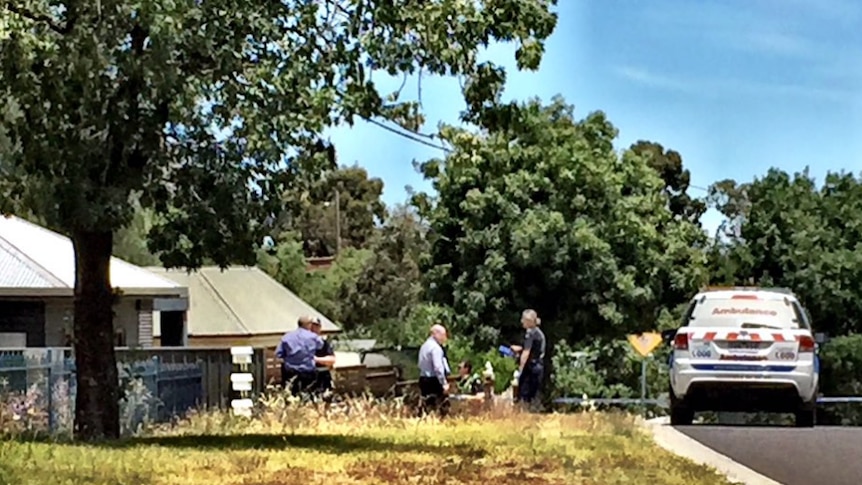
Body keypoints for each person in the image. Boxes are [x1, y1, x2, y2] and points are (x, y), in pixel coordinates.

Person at [275, 316, 328, 397]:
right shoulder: (313, 337)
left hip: (290, 372)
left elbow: (279, 354)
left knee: (290, 396)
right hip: (307, 372)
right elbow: (320, 345)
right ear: (309, 325)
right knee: (307, 395)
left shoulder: (286, 337)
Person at [510, 309, 546, 406]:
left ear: (529, 321)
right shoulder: (538, 333)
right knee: (533, 395)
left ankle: (525, 416)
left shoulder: (530, 333)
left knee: (524, 395)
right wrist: (520, 349)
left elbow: (527, 352)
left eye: (523, 319)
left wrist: (520, 369)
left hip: (532, 367)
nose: (521, 321)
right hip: (538, 366)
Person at [417, 324, 450, 416]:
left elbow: (420, 364)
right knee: (441, 406)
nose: (445, 338)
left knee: (426, 405)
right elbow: (438, 367)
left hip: (423, 379)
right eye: (443, 335)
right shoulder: (436, 348)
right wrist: (443, 383)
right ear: (436, 334)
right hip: (434, 381)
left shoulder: (424, 346)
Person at [309, 318, 336, 395]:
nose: (314, 329)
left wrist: (316, 359)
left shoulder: (324, 344)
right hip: (305, 377)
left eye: (316, 327)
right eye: (311, 327)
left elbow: (332, 360)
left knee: (325, 400)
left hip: (322, 376)